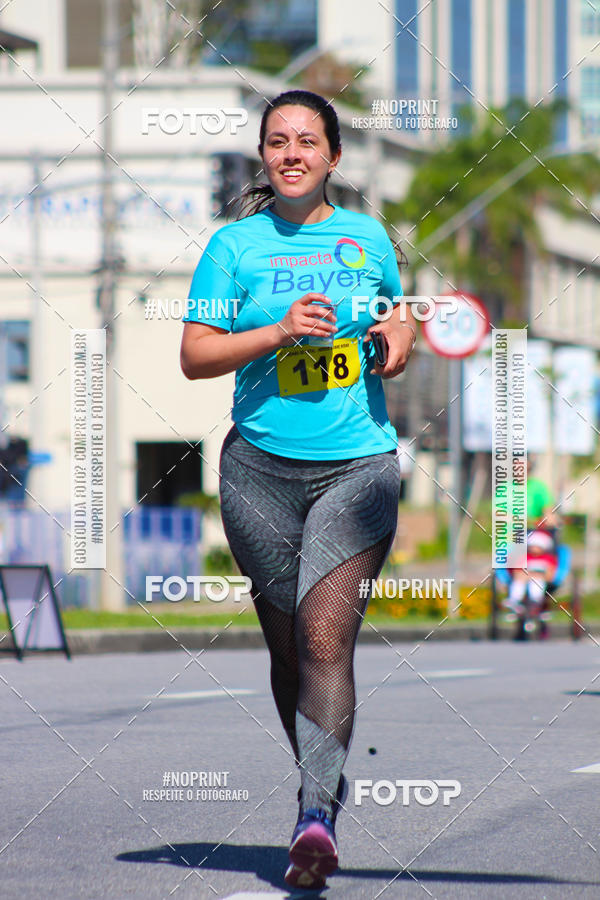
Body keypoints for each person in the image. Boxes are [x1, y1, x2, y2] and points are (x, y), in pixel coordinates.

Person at [180, 89, 416, 890]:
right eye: (277, 141)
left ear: (332, 157)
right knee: (288, 648)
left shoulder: (366, 237)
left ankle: (315, 814)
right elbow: (196, 355)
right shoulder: (232, 247)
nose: (291, 154)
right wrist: (278, 332)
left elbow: (396, 320)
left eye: (306, 141)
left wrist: (398, 340)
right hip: (258, 471)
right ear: (265, 155)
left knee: (324, 639)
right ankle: (324, 776)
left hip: (357, 468)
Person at [504, 456, 559, 614]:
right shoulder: (506, 489)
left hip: (536, 531)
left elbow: (548, 511)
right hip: (515, 535)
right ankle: (514, 600)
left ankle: (537, 601)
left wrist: (549, 519)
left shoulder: (539, 488)